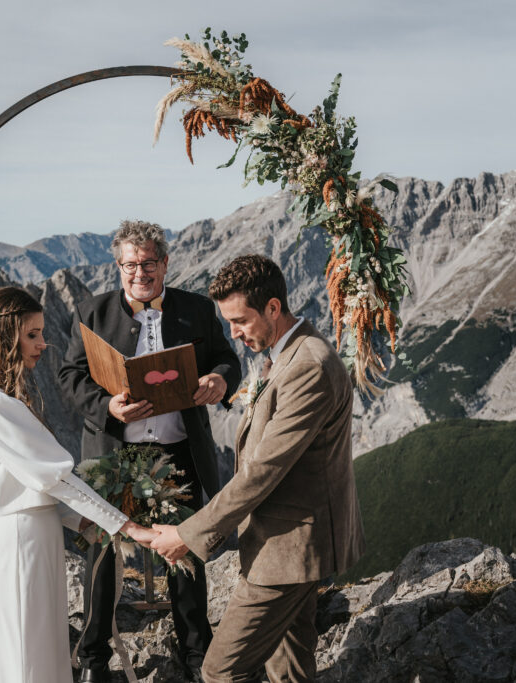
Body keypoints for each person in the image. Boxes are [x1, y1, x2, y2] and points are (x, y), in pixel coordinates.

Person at [151, 254, 366, 683]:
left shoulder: (308, 365)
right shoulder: (285, 353)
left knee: (221, 671)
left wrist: (189, 534)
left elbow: (264, 470)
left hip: (290, 547)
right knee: (289, 670)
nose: (233, 333)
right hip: (287, 542)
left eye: (240, 320)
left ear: (272, 307)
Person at [58, 220, 241, 682]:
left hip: (177, 452)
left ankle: (198, 653)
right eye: (130, 264)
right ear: (118, 267)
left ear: (165, 263)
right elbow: (69, 377)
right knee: (101, 559)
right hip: (113, 456)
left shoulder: (197, 310)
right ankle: (94, 658)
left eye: (149, 263)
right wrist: (108, 406)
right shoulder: (92, 312)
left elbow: (227, 359)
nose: (140, 272)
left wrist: (219, 380)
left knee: (185, 554)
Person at [0, 286, 156, 683]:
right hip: (20, 545)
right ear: (3, 336)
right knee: (27, 660)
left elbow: (32, 482)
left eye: (41, 332)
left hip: (34, 538)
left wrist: (83, 523)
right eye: (32, 334)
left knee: (41, 654)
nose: (43, 343)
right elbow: (53, 477)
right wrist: (127, 527)